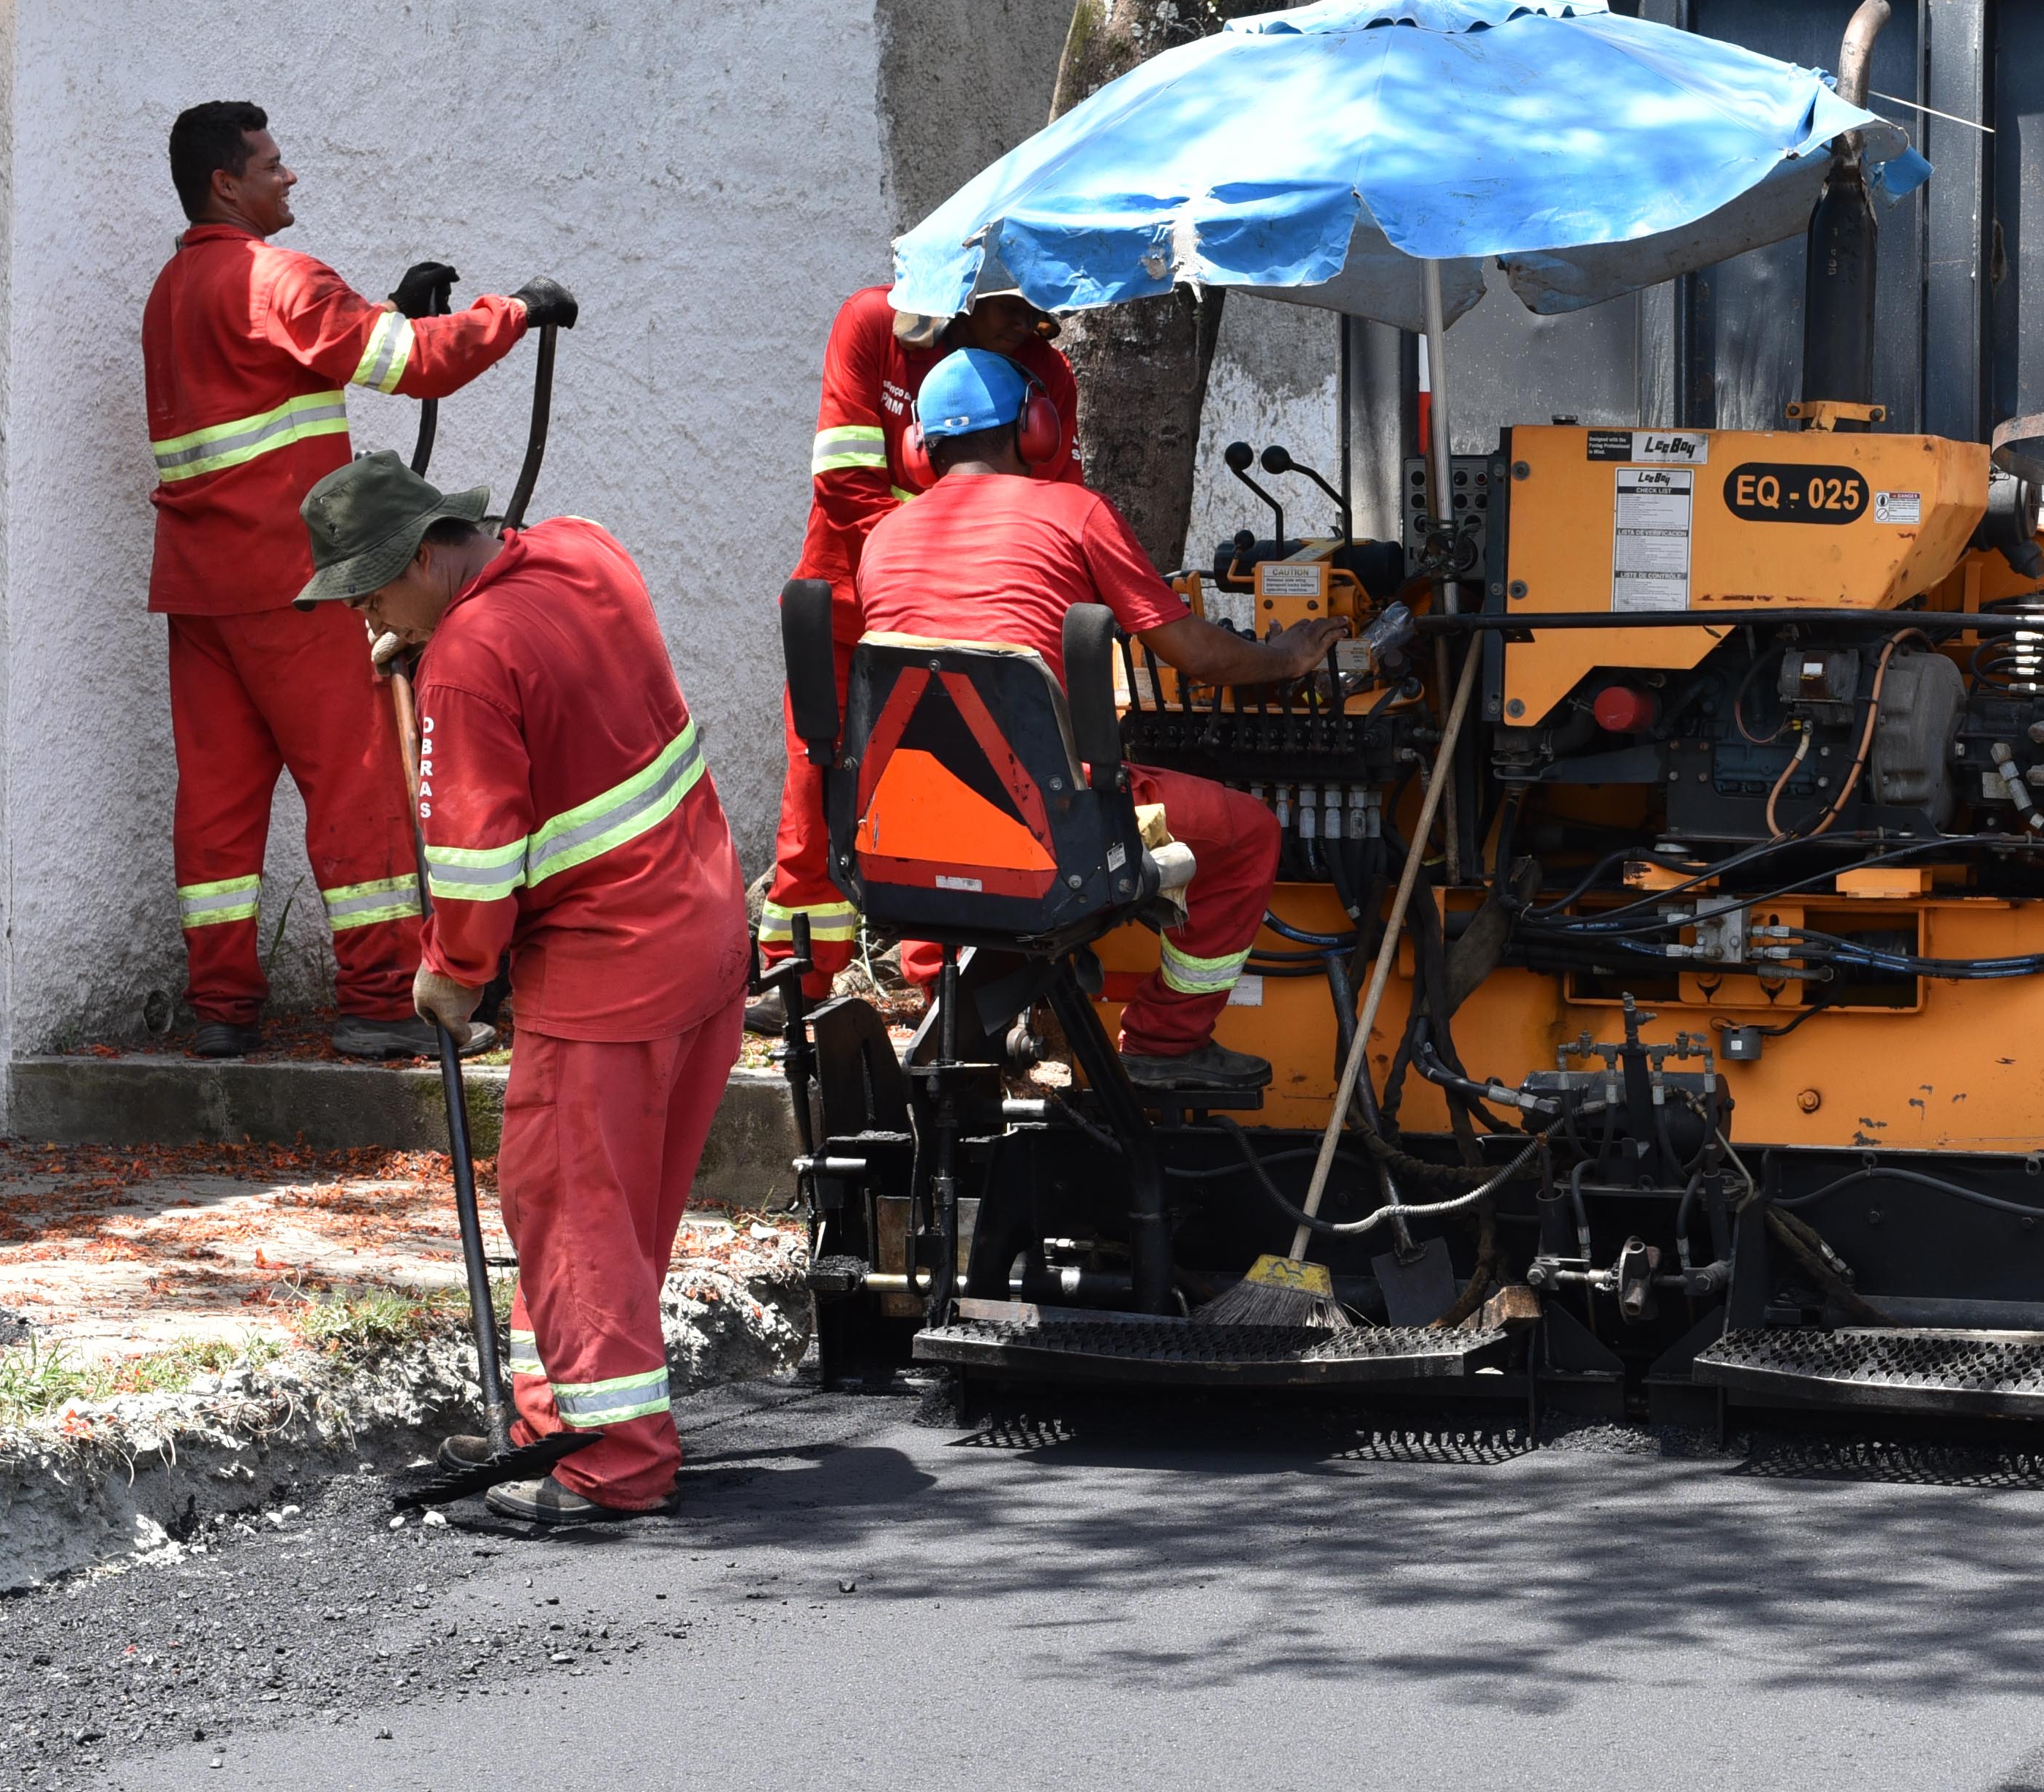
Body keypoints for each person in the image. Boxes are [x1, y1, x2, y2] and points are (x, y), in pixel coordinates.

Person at [301, 450, 744, 1532]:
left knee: (571, 1211)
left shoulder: (466, 661)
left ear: (421, 557)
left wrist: (451, 976)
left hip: (607, 969)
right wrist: (431, 647)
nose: (363, 616)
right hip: (704, 929)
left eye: (368, 592)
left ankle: (616, 1464)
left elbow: (472, 863)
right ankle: (557, 1418)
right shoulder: (585, 551)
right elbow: (559, 699)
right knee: (619, 1219)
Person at [143, 98, 557, 1059]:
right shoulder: (278, 276)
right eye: (271, 164)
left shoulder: (173, 291)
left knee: (217, 804)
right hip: (294, 586)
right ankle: (378, 1002)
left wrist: (391, 309)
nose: (289, 175)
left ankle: (220, 1008)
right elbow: (418, 368)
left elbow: (284, 363)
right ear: (227, 184)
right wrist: (517, 311)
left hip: (202, 591)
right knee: (358, 782)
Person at [849, 348, 1337, 1099]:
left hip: (910, 831)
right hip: (1052, 826)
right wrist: (1285, 658)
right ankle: (1166, 1041)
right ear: (1035, 428)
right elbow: (1193, 654)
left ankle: (963, 1018)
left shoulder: (882, 538)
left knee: (963, 835)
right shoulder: (1076, 512)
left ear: (921, 448)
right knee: (1248, 834)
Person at [761, 282, 1082, 1016]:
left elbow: (1052, 503)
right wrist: (945, 568)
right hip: (848, 619)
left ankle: (951, 993)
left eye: (1038, 310)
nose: (1027, 323)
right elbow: (843, 484)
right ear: (964, 291)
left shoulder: (1047, 373)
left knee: (959, 801)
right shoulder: (873, 324)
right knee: (816, 798)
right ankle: (797, 980)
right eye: (1010, 305)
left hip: (970, 629)